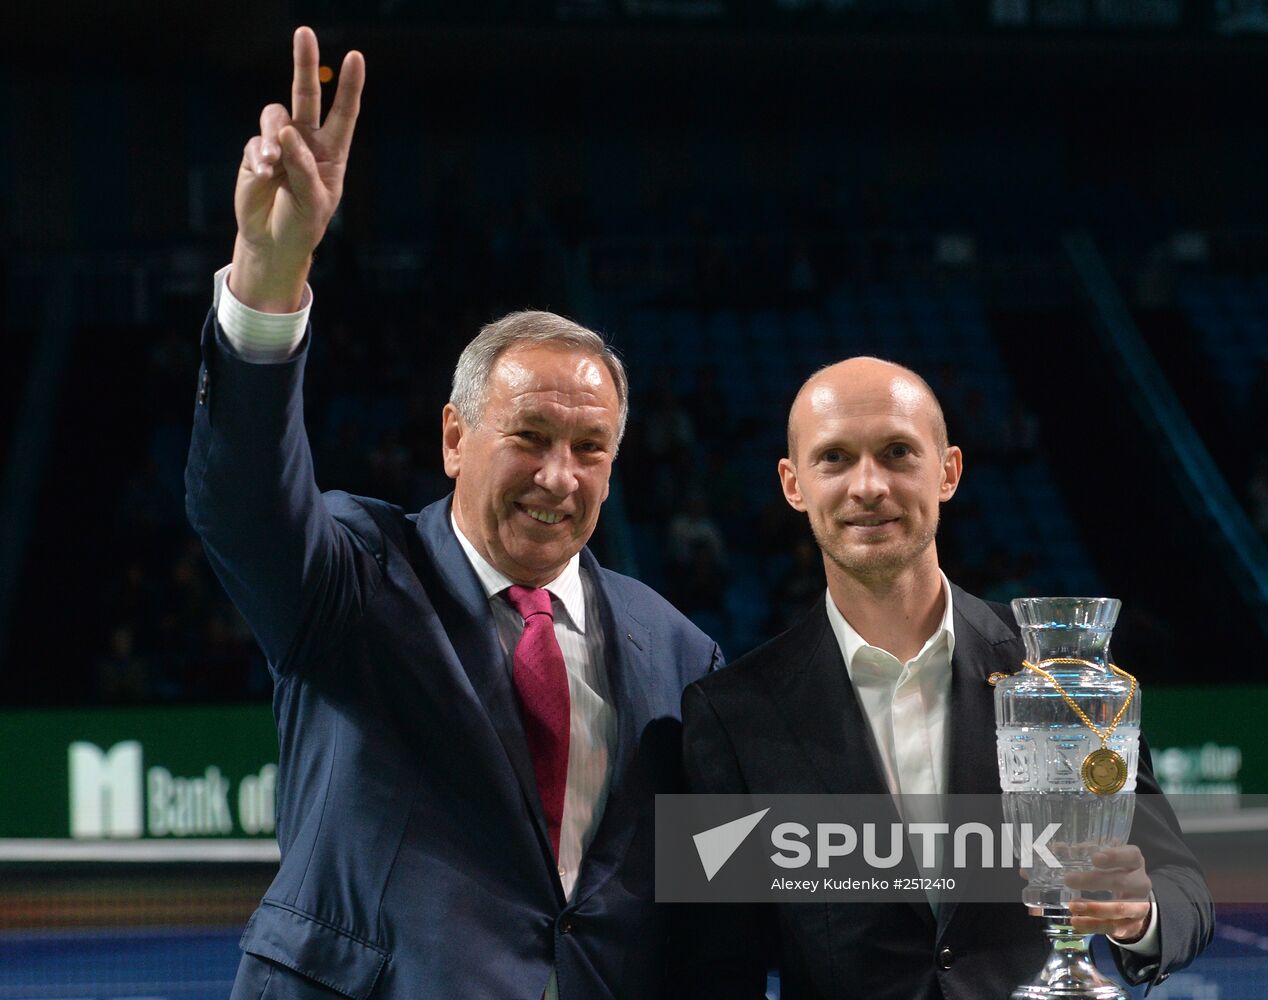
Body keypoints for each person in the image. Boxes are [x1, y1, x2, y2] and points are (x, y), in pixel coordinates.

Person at [185, 28, 722, 999]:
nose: (560, 475)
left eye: (590, 448)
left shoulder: (679, 650)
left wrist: (990, 864)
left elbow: (712, 867)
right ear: (452, 437)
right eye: (530, 436)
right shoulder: (351, 577)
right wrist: (268, 276)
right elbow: (241, 497)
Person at [676, 357, 1213, 998]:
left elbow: (1182, 889)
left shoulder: (1057, 680)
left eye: (898, 452)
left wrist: (1139, 913)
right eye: (835, 458)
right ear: (793, 485)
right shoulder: (734, 711)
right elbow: (716, 962)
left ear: (948, 471)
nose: (868, 485)